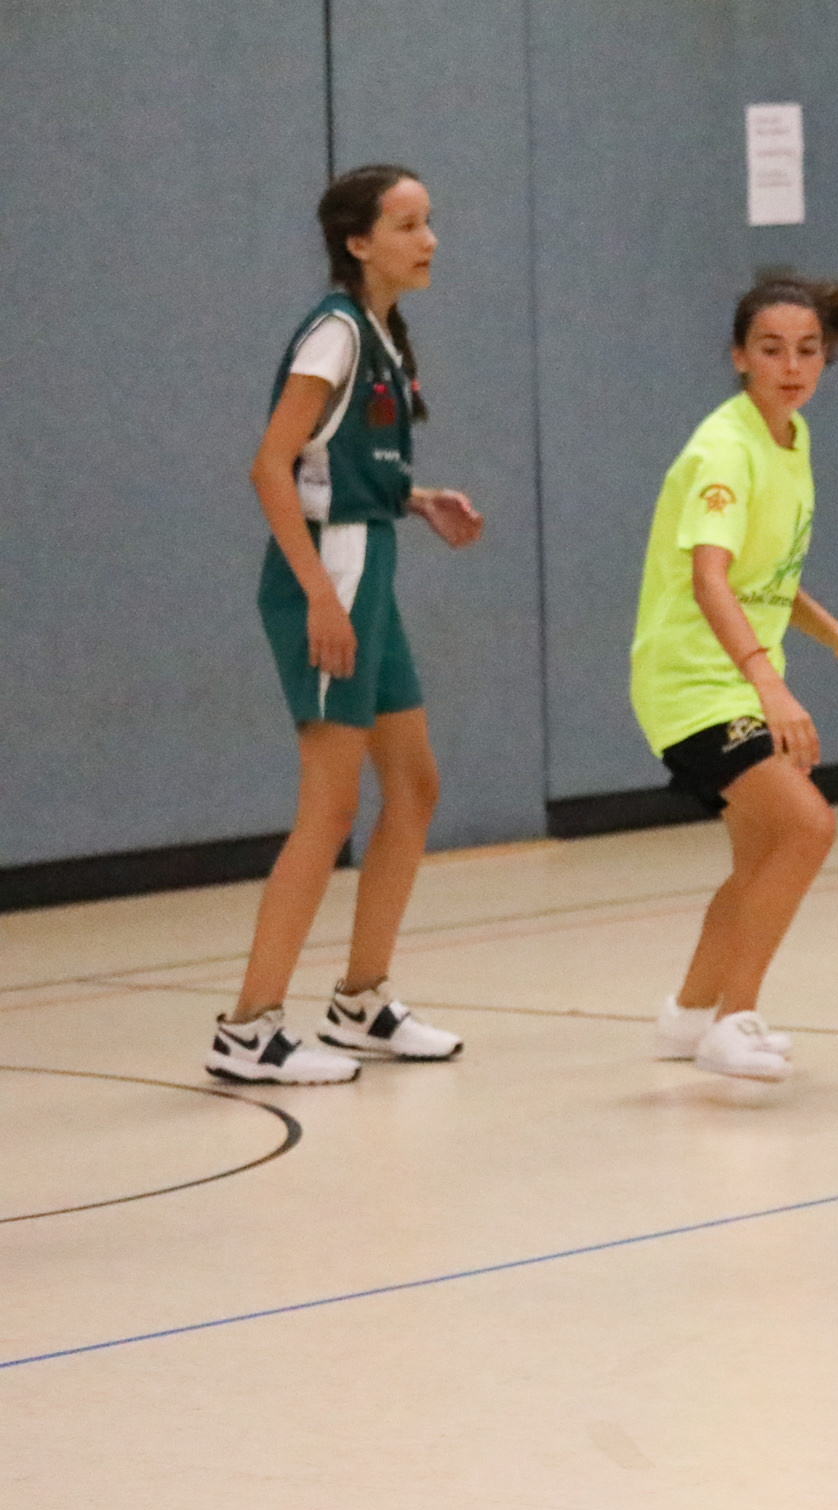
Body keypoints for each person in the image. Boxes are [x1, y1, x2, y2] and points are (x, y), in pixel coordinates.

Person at [211, 164, 486, 1086]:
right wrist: (321, 599)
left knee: (414, 786)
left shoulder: (380, 335)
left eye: (430, 221)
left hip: (368, 565)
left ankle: (361, 1002)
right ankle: (248, 1028)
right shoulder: (333, 334)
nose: (429, 239)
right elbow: (271, 466)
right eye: (408, 225)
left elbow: (339, 465)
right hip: (329, 577)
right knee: (329, 809)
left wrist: (416, 497)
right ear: (358, 242)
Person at [633, 277, 838, 1082]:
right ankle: (733, 1019)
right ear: (739, 357)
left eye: (808, 350)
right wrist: (769, 684)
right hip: (693, 682)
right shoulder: (725, 449)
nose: (792, 366)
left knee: (759, 860)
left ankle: (688, 1017)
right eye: (772, 350)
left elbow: (767, 576)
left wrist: (837, 637)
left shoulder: (790, 438)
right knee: (808, 829)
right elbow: (711, 577)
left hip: (738, 679)